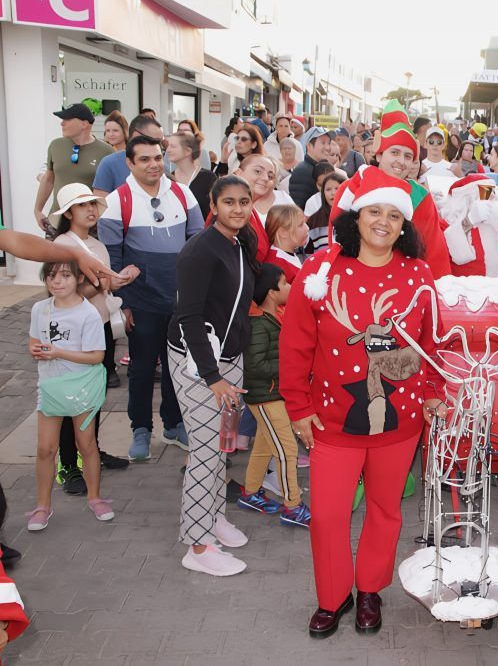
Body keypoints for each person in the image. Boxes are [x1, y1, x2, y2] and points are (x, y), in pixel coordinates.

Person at [280, 166, 446, 637]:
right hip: (332, 419)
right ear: (355, 216)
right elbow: (294, 345)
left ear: (404, 225)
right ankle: (334, 597)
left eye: (394, 215)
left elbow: (432, 345)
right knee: (330, 514)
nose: (384, 222)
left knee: (385, 509)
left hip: (401, 420)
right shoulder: (320, 272)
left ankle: (371, 589)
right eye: (375, 211)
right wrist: (299, 407)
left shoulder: (419, 274)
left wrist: (433, 393)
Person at [168, 175, 258, 577]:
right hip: (198, 361)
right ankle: (198, 545)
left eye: (244, 201)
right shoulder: (198, 251)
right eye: (229, 202)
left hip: (229, 357)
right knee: (204, 450)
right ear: (213, 203)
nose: (237, 209)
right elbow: (188, 316)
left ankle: (212, 516)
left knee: (222, 443)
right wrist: (212, 376)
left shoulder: (241, 241)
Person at [98, 135, 204, 461]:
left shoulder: (183, 194)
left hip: (179, 302)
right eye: (144, 159)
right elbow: (111, 259)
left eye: (157, 157)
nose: (153, 164)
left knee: (178, 369)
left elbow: (198, 244)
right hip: (141, 303)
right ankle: (140, 430)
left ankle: (173, 425)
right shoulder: (117, 200)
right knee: (142, 370)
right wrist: (123, 303)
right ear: (129, 163)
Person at [51, 184, 136, 480]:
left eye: (92, 204)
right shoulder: (62, 245)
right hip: (73, 334)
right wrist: (102, 284)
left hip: (99, 328)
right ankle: (68, 465)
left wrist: (117, 281)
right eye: (82, 205)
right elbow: (62, 294)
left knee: (94, 397)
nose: (90, 209)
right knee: (69, 400)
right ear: (68, 213)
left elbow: (103, 288)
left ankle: (92, 451)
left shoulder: (97, 245)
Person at [26, 260, 114, 532]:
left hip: (81, 386)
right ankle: (43, 506)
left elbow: (97, 357)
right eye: (51, 276)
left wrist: (58, 352)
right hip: (51, 386)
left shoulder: (87, 313)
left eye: (65, 275)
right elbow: (32, 341)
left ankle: (95, 497)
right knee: (45, 449)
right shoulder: (40, 309)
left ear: (78, 278)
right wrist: (36, 349)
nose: (57, 281)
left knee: (86, 444)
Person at [327, 101, 452, 277]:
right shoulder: (350, 189)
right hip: (356, 280)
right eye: (394, 152)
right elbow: (336, 242)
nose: (401, 161)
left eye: (408, 156)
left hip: (406, 284)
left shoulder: (420, 196)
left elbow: (434, 255)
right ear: (379, 154)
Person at [238, 263, 311, 527]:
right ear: (271, 291)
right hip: (266, 396)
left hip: (271, 394)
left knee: (265, 446)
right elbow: (255, 365)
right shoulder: (259, 324)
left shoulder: (272, 316)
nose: (290, 287)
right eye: (285, 282)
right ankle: (293, 506)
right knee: (287, 449)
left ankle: (250, 492)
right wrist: (290, 370)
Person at [34, 103, 115, 233]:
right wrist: (38, 210)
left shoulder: (107, 151)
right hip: (57, 221)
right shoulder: (55, 145)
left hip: (90, 224)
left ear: (84, 124)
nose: (62, 123)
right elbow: (48, 180)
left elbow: (113, 191)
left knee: (88, 254)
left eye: (67, 119)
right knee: (52, 254)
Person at [236, 154, 293, 261]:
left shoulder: (250, 211)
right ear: (239, 173)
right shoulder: (225, 209)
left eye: (270, 176)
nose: (266, 178)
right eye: (258, 171)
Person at [92, 115, 165, 195]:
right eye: (155, 141)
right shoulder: (109, 163)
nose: (159, 146)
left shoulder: (160, 165)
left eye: (161, 141)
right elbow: (101, 203)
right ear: (136, 135)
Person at [167, 133, 217, 220]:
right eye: (168, 146)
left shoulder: (208, 178)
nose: (168, 150)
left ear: (188, 151)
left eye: (173, 146)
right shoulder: (168, 180)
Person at [290, 126, 333, 211]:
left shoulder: (319, 168)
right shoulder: (303, 171)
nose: (328, 147)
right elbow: (299, 208)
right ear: (309, 145)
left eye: (329, 143)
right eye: (323, 143)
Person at [264, 204, 308, 283]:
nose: (307, 228)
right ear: (283, 232)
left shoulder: (286, 255)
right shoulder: (276, 265)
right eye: (301, 225)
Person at [305, 167, 344, 253]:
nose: (333, 193)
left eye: (337, 188)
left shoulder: (355, 217)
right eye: (328, 189)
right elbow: (308, 253)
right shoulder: (314, 221)